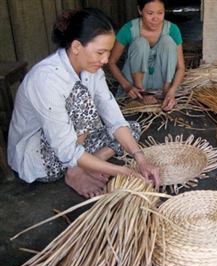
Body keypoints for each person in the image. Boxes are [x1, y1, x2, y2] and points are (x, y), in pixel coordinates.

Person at [8, 8, 160, 199]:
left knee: (130, 128)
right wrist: (125, 172)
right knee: (80, 95)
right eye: (100, 52)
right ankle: (76, 170)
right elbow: (65, 149)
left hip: (72, 145)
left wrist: (141, 160)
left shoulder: (92, 70)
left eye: (108, 52)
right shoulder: (46, 78)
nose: (105, 60)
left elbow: (114, 118)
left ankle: (85, 165)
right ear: (77, 46)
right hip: (43, 160)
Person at [107, 0, 185, 111]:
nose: (155, 18)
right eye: (150, 13)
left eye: (160, 13)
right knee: (140, 43)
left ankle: (166, 90)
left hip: (161, 81)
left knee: (167, 41)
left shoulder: (172, 29)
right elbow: (111, 62)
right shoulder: (129, 29)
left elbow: (181, 67)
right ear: (140, 10)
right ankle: (140, 93)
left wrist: (172, 91)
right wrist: (126, 86)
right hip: (133, 81)